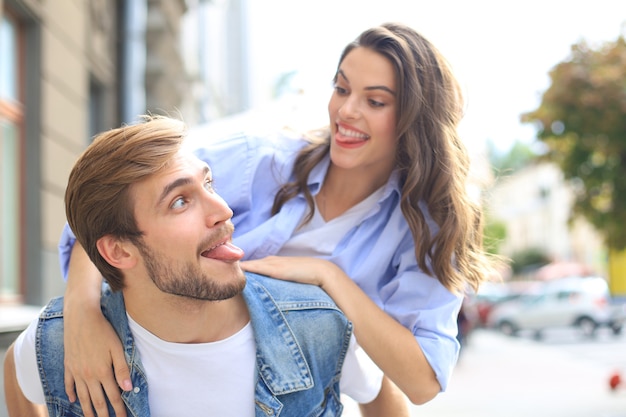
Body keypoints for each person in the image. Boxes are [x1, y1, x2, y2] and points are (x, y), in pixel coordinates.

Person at [58, 22, 499, 415]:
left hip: (293, 389)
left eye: (375, 101)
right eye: (342, 88)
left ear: (414, 120)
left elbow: (420, 381)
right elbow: (105, 217)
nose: (346, 112)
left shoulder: (427, 228)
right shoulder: (260, 160)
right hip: (173, 350)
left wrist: (329, 278)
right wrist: (81, 317)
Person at [4, 116, 409, 417]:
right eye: (180, 201)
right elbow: (19, 369)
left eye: (209, 184)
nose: (224, 211)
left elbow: (380, 395)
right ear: (120, 251)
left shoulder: (316, 323)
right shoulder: (56, 342)